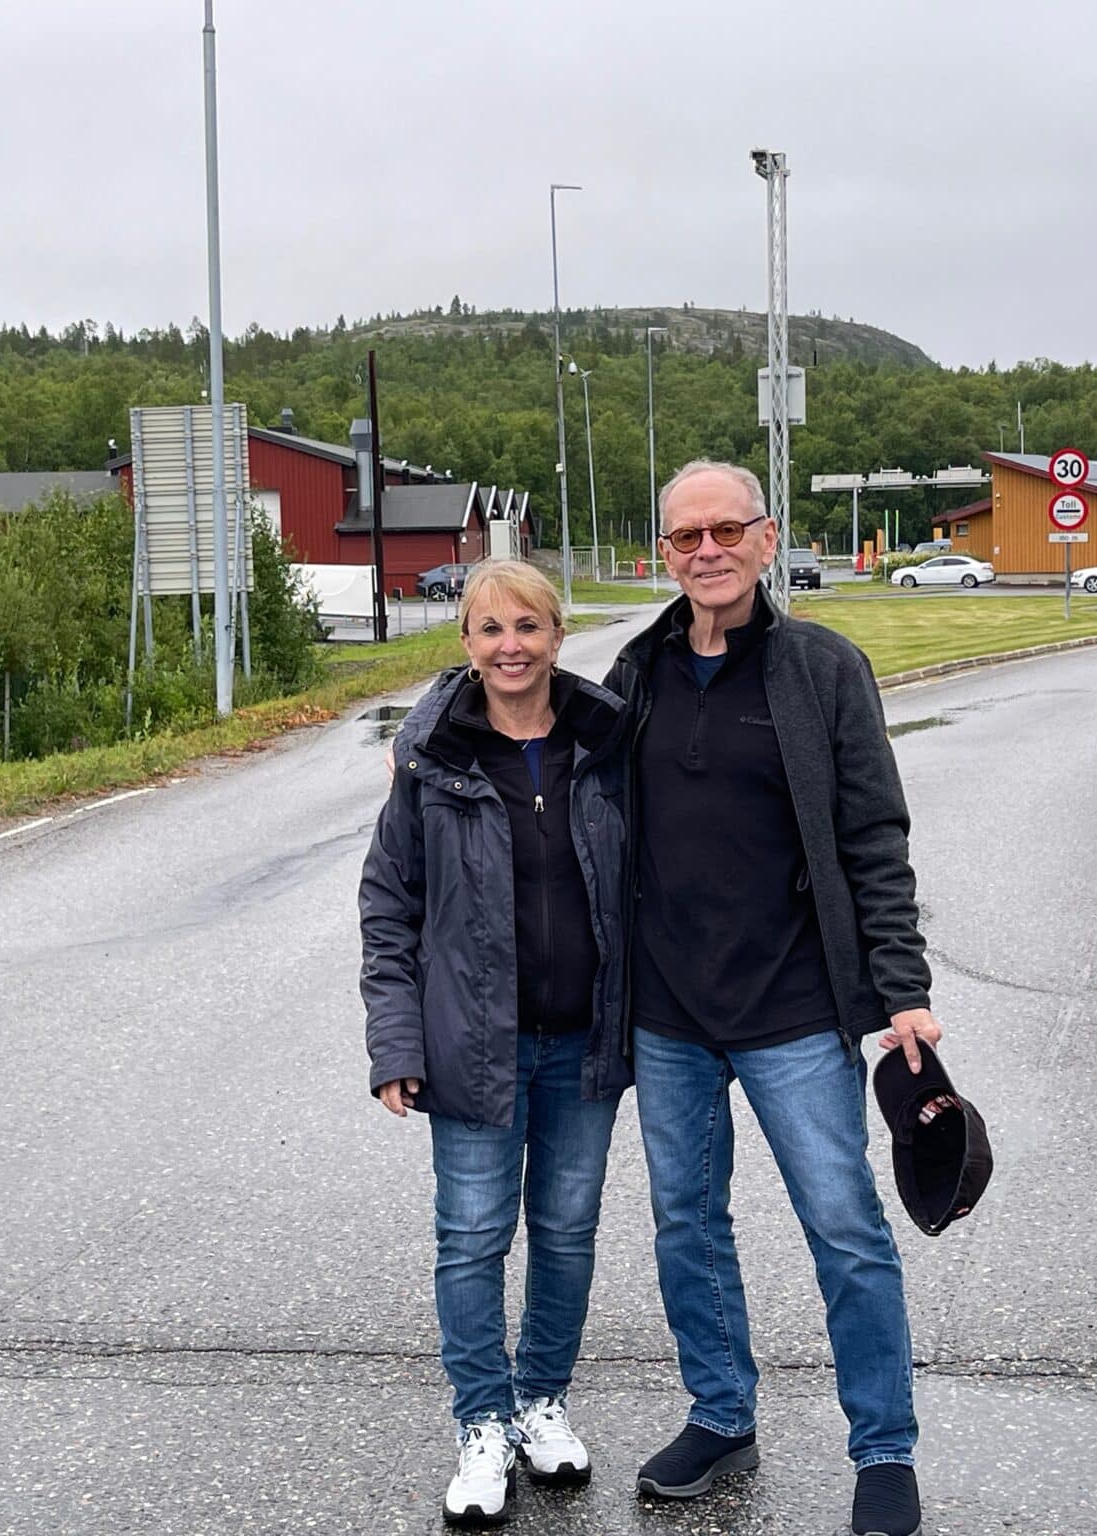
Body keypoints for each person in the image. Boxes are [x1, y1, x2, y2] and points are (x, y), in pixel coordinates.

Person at [606, 460, 943, 1536]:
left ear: (765, 538)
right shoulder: (638, 668)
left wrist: (900, 991)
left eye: (723, 531)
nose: (703, 551)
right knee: (685, 1223)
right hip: (667, 1011)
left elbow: (872, 840)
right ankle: (719, 1413)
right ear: (662, 552)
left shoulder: (820, 669)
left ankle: (883, 1449)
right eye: (682, 537)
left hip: (793, 1006)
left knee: (842, 1227)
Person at [360, 559, 632, 1527]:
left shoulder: (604, 747)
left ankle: (538, 1402)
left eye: (528, 626)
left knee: (564, 1233)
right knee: (472, 1239)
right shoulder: (434, 760)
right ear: (465, 643)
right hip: (471, 1048)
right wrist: (395, 1043)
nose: (509, 646)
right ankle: (480, 1422)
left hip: (583, 1045)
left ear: (558, 636)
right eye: (489, 630)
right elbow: (389, 905)